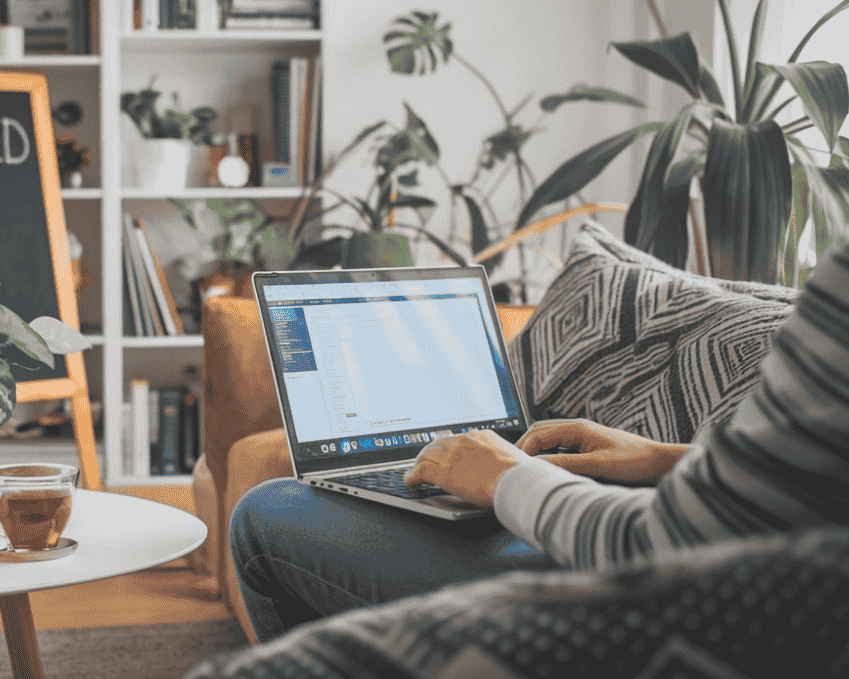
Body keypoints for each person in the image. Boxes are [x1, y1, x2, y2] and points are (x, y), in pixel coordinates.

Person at [230, 243, 849, 643]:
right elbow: (807, 485)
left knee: (269, 510)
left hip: (666, 612)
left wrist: (506, 480)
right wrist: (658, 458)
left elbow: (662, 544)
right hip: (743, 583)